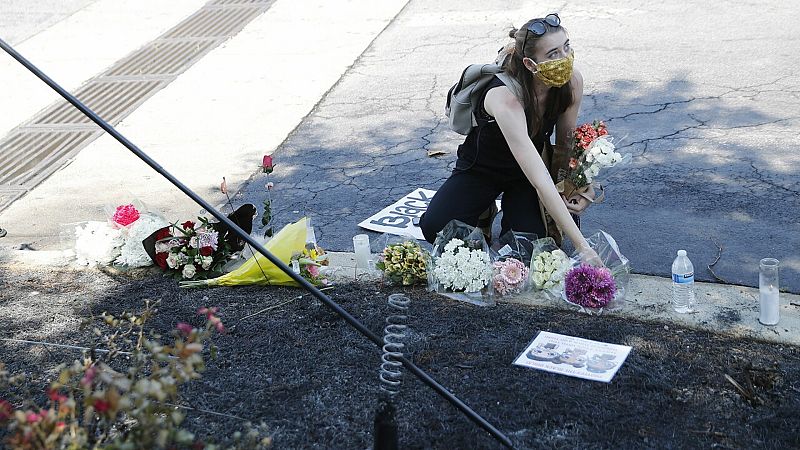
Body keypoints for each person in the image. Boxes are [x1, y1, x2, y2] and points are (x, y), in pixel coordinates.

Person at [419, 13, 601, 264]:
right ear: (529, 64)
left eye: (566, 47)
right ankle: (484, 211)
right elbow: (541, 181)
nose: (564, 59)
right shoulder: (505, 98)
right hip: (482, 168)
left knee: (528, 248)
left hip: (526, 174)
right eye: (553, 55)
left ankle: (518, 215)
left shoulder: (572, 82)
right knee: (437, 229)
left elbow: (565, 144)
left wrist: (575, 185)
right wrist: (583, 247)